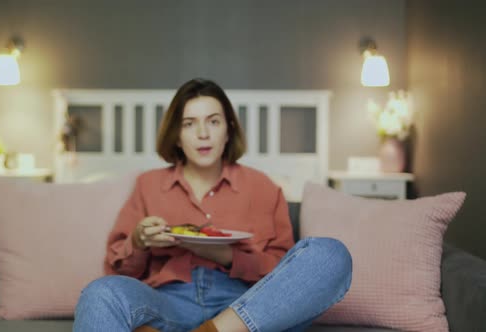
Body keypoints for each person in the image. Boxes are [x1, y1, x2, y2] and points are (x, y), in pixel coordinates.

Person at [74, 78, 352, 332]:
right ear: (177, 136)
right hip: (167, 301)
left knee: (330, 254)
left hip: (245, 306)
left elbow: (283, 274)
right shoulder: (148, 184)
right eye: (189, 123)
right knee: (100, 292)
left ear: (229, 130)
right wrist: (139, 240)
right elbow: (119, 272)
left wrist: (227, 256)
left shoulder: (264, 187)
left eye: (214, 121)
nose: (203, 133)